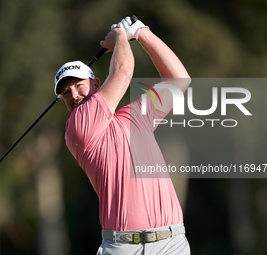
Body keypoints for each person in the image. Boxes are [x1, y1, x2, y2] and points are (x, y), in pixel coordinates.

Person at [54, 16, 191, 255]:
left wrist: (141, 32)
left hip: (172, 242)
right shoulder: (77, 128)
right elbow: (123, 71)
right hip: (123, 247)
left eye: (78, 85)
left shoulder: (136, 115)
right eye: (65, 92)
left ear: (96, 84)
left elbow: (179, 80)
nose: (73, 95)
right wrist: (119, 35)